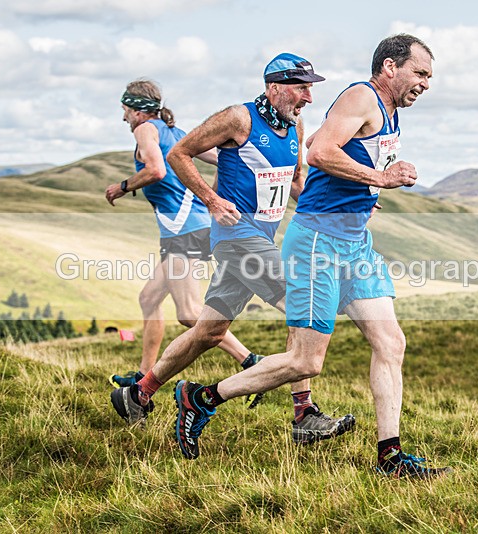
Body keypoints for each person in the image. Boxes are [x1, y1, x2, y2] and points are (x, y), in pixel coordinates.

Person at [171, 35, 453, 479]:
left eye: (429, 77)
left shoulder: (390, 111)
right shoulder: (363, 96)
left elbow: (319, 143)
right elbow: (322, 152)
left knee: (390, 342)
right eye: (420, 74)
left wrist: (365, 188)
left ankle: (391, 458)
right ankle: (200, 399)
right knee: (305, 361)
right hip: (319, 242)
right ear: (390, 68)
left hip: (355, 242)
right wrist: (379, 176)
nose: (425, 84)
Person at [111, 55, 355, 456]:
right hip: (234, 237)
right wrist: (210, 199)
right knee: (301, 300)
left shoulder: (294, 123)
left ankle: (140, 391)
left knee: (207, 331)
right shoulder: (238, 119)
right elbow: (179, 155)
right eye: (301, 87)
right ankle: (304, 413)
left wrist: (332, 208)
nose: (309, 96)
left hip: (258, 238)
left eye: (311, 87)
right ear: (274, 86)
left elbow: (296, 181)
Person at [104, 79, 264, 407]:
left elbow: (156, 170)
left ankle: (252, 362)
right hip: (192, 228)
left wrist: (122, 186)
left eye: (124, 111)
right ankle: (143, 372)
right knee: (149, 298)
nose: (124, 118)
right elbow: (225, 159)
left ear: (136, 110)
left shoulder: (145, 130)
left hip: (183, 232)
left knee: (190, 313)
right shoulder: (175, 133)